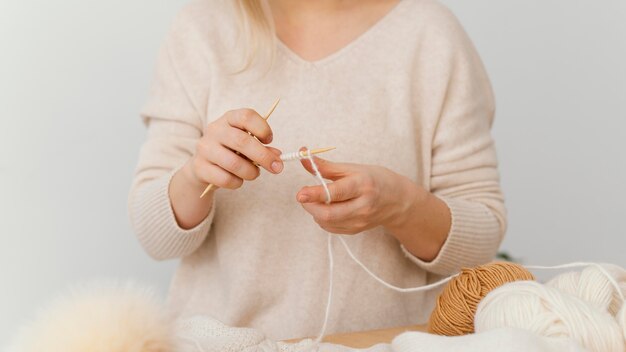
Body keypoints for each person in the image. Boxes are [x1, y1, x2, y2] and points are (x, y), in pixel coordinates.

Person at [129, 0, 506, 341]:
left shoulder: (431, 34)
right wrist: (197, 174)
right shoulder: (203, 27)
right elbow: (154, 237)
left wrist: (400, 206)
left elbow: (481, 241)